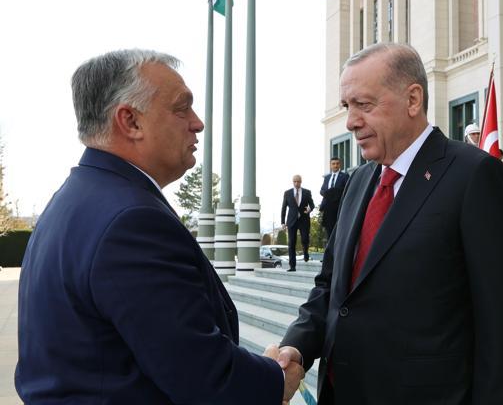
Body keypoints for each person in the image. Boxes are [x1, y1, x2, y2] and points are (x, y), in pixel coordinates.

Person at [15, 49, 303, 404]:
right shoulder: (132, 222)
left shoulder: (77, 199)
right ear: (130, 122)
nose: (198, 123)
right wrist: (276, 379)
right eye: (182, 108)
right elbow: (204, 376)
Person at [275, 43, 503, 404]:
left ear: (413, 99)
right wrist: (297, 346)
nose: (351, 122)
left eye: (364, 104)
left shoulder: (476, 176)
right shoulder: (358, 181)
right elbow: (330, 287)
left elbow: (502, 329)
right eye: (347, 107)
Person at [281, 175, 315, 271]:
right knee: (291, 243)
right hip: (291, 221)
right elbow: (284, 208)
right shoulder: (287, 193)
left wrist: (309, 209)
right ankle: (292, 266)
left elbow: (312, 204)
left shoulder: (307, 192)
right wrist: (283, 222)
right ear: (293, 182)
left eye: (298, 181)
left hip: (304, 220)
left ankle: (305, 252)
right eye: (295, 181)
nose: (296, 183)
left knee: (305, 239)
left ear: (301, 182)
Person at [319, 157, 349, 237]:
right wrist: (328, 194)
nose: (335, 165)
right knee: (328, 231)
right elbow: (322, 190)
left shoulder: (345, 176)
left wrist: (334, 193)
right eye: (333, 164)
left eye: (337, 164)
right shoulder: (327, 178)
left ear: (340, 165)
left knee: (338, 231)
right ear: (330, 165)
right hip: (327, 208)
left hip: (339, 207)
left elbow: (347, 190)